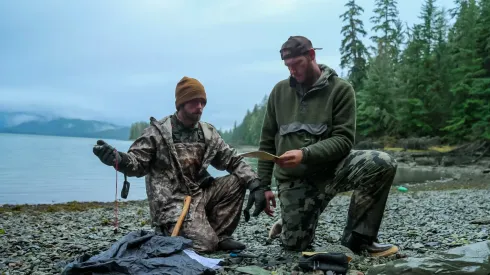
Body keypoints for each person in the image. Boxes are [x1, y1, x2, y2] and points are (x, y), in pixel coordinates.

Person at [250, 36, 399, 257]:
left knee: (381, 163)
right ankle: (293, 217)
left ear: (311, 56)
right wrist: (263, 186)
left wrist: (305, 154)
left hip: (333, 170)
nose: (292, 71)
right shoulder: (279, 92)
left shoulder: (340, 90)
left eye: (297, 64)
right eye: (287, 66)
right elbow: (267, 142)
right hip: (294, 180)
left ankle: (359, 240)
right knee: (294, 248)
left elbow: (344, 140)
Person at [92, 76, 265, 253]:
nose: (199, 107)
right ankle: (167, 231)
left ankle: (220, 235)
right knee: (205, 245)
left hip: (198, 194)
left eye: (202, 102)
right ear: (180, 104)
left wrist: (255, 184)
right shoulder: (158, 132)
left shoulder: (207, 133)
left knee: (237, 181)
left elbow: (232, 159)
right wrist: (118, 159)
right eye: (194, 102)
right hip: (171, 203)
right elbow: (137, 163)